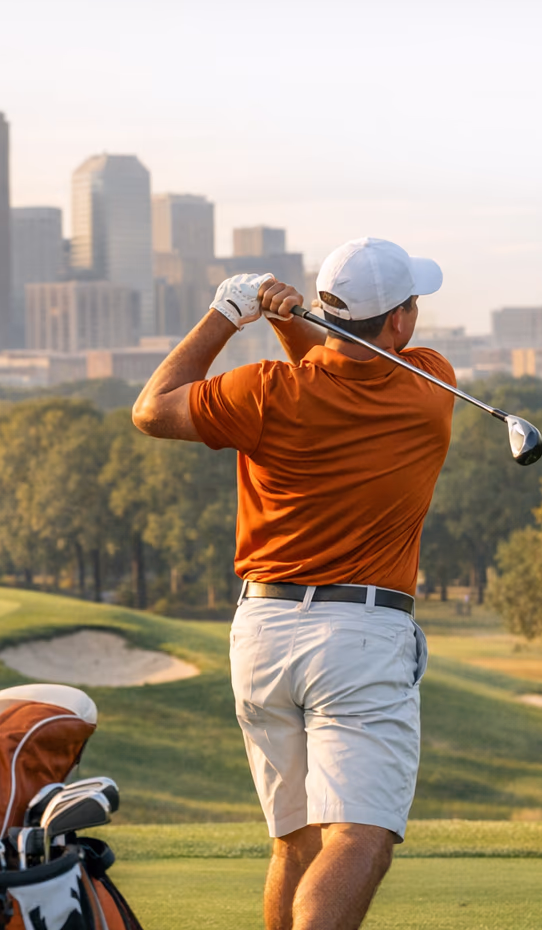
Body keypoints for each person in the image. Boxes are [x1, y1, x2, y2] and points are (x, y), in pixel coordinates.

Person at [131, 237, 451, 930]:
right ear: (400, 321)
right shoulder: (428, 386)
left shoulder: (263, 392)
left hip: (263, 635)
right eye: (412, 304)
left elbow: (152, 408)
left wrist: (230, 312)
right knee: (360, 836)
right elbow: (341, 361)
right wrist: (287, 318)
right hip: (360, 639)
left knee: (297, 842)